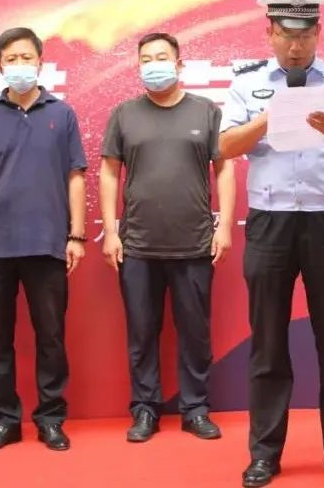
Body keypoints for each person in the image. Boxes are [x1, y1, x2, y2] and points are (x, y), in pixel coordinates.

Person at [219, 0, 324, 487]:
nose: (295, 46)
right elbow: (224, 145)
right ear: (270, 33)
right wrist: (270, 118)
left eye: (305, 35)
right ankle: (265, 453)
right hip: (271, 222)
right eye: (287, 35)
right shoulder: (247, 83)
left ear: (318, 34)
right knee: (267, 342)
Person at [99, 32, 236, 443]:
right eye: (146, 59)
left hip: (194, 243)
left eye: (161, 57)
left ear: (179, 64)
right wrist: (111, 231)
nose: (153, 64)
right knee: (142, 333)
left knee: (195, 332)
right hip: (137, 244)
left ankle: (195, 409)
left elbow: (224, 169)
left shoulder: (206, 111)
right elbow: (109, 173)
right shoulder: (124, 114)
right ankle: (145, 409)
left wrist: (224, 226)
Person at [0, 27, 88, 452]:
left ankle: (50, 418)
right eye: (11, 59)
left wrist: (76, 234)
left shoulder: (62, 114)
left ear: (40, 62)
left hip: (48, 244)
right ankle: (4, 421)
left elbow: (75, 176)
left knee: (51, 337)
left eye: (26, 57)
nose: (20, 65)